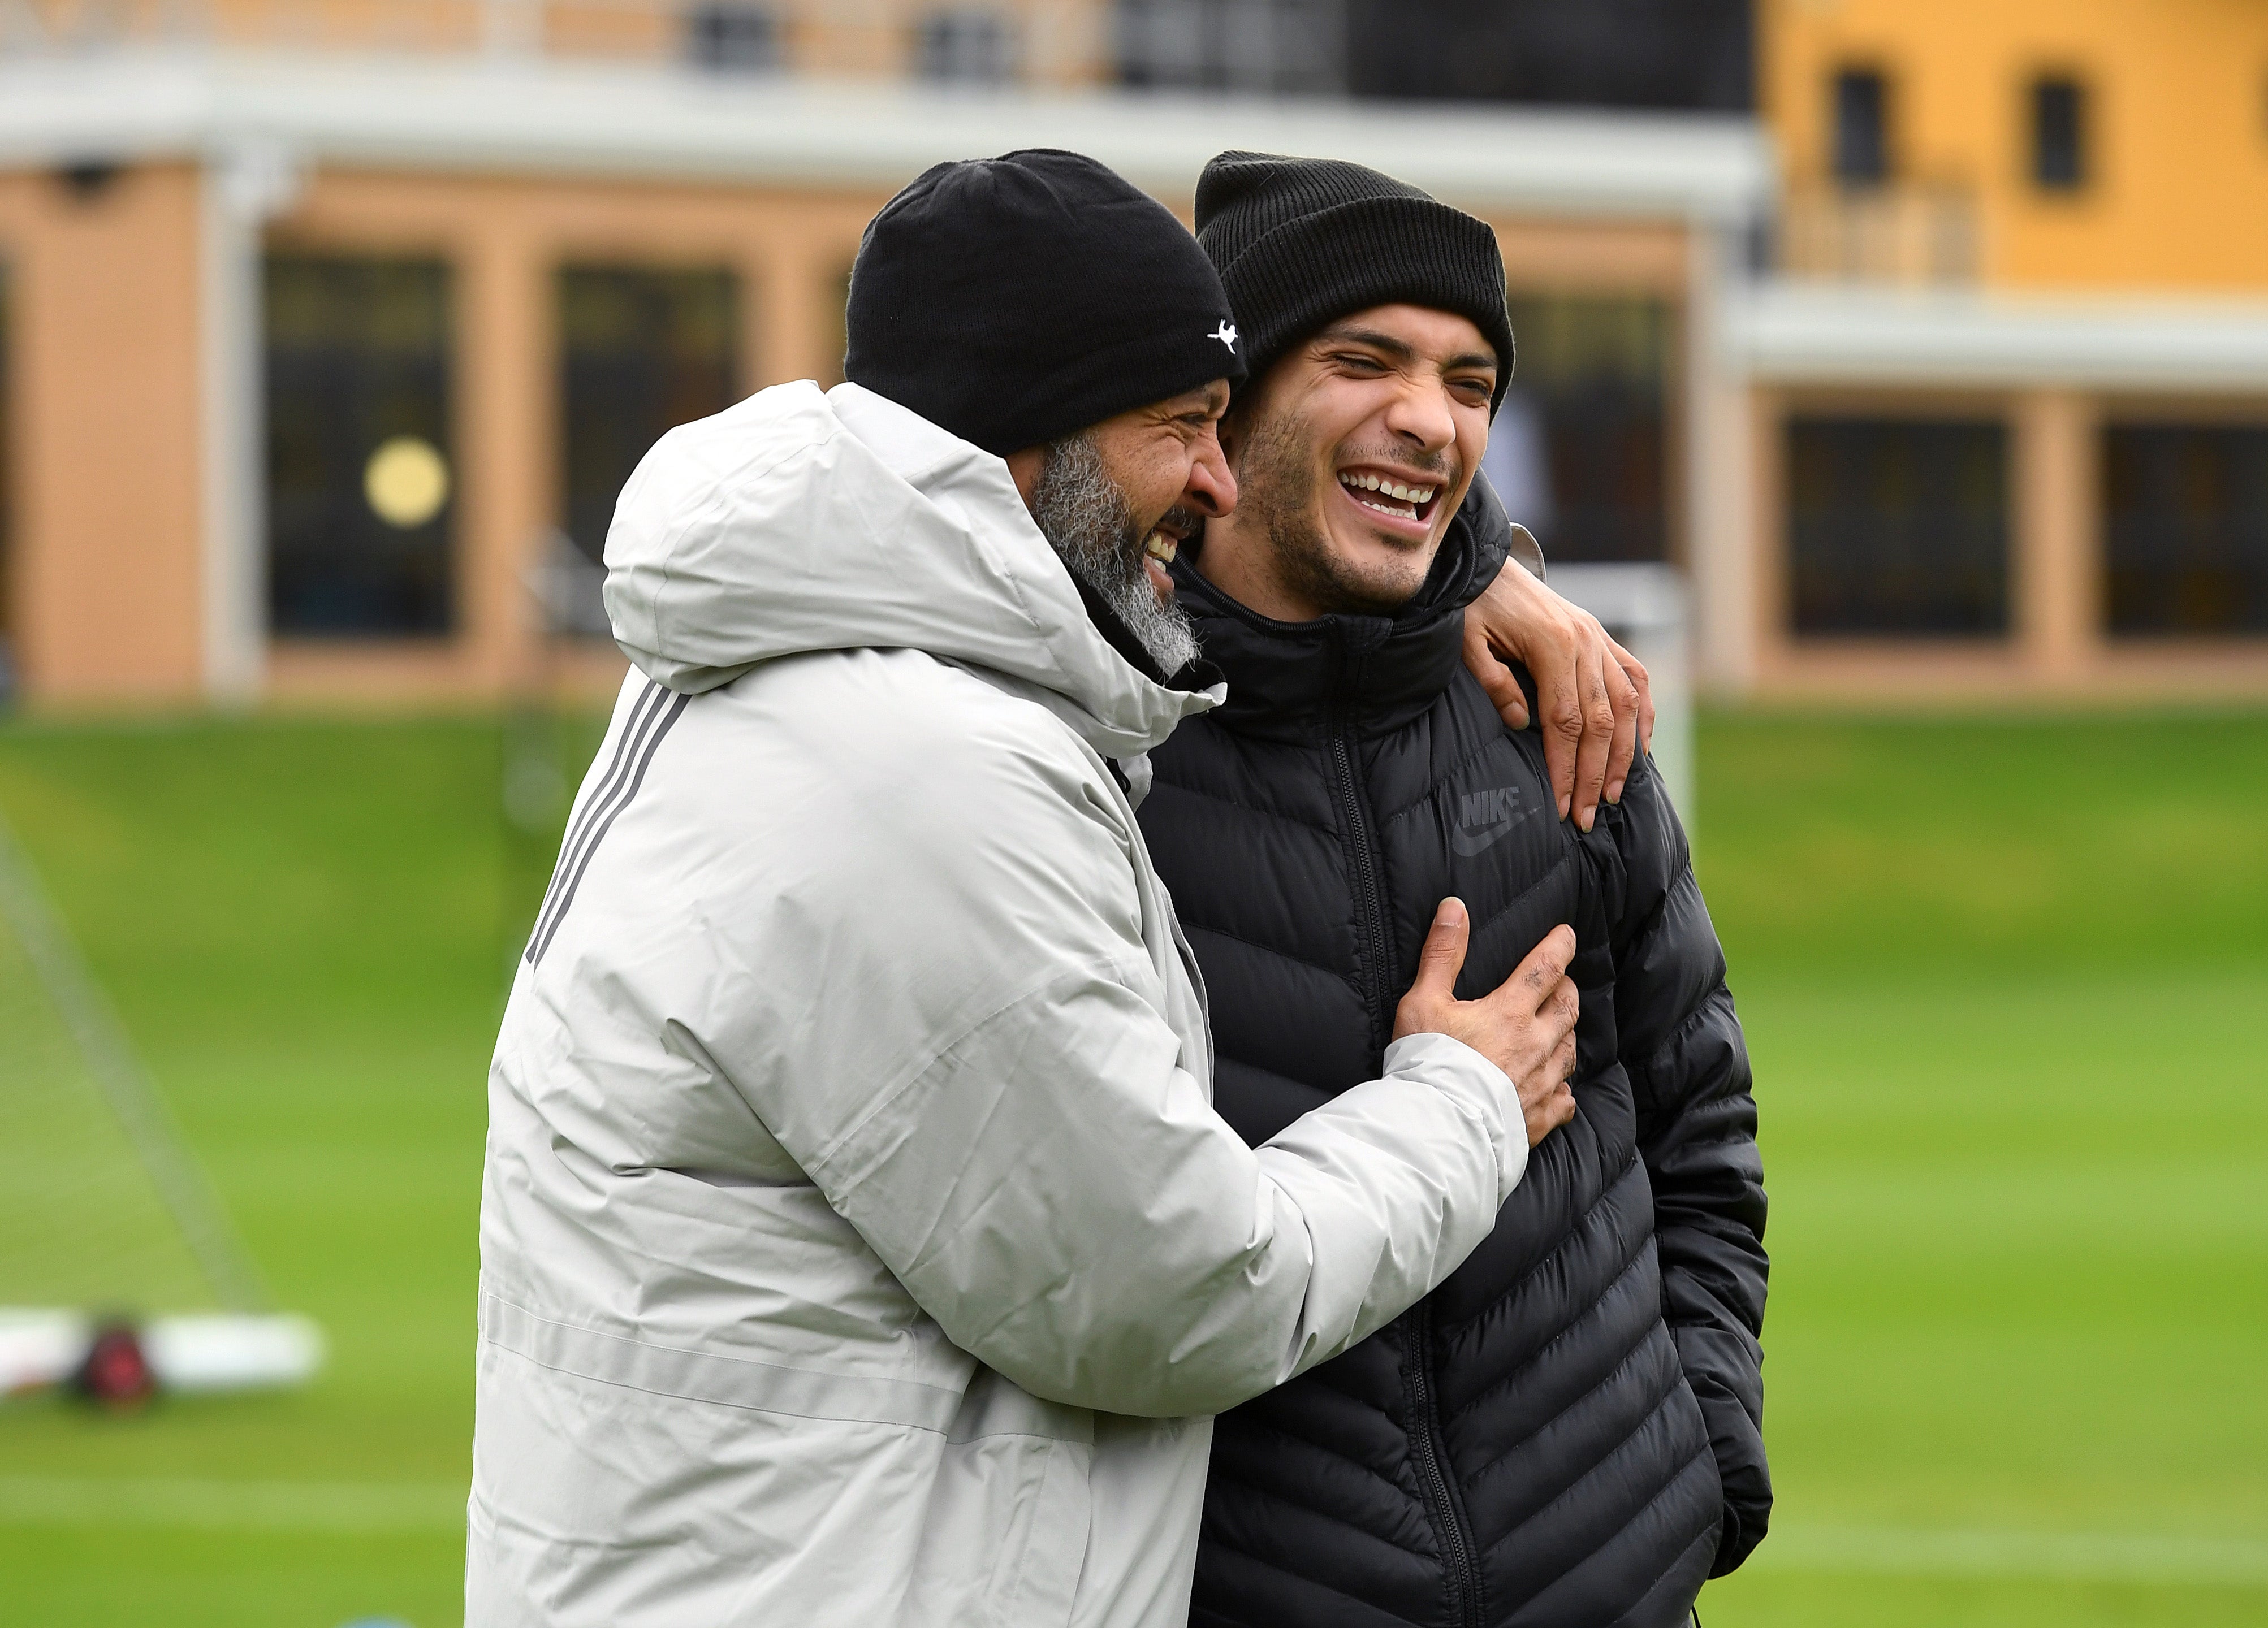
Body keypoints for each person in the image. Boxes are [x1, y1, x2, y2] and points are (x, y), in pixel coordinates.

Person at [466, 149, 1644, 1628]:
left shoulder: (811, 660)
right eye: (1182, 427)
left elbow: (1696, 1130)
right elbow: (1171, 1295)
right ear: (1026, 446)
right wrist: (1460, 1100)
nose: (1213, 483)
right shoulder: (913, 774)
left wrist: (1459, 571)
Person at [1136, 152, 1770, 1628]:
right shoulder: (1095, 763)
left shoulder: (1562, 722)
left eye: (1467, 377)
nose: (1428, 419)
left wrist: (1700, 1455)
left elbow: (1699, 1118)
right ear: (1222, 408)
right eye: (1363, 360)